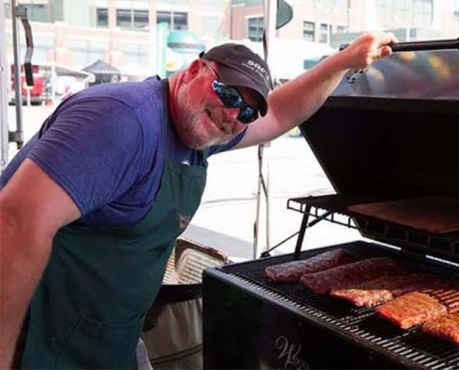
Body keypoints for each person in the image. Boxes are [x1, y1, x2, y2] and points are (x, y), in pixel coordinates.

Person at [0, 32, 397, 368]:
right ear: (192, 71)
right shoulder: (121, 121)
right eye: (227, 92)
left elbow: (277, 113)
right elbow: (14, 225)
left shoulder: (199, 135)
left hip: (104, 336)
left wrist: (341, 62)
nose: (232, 114)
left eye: (246, 110)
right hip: (35, 339)